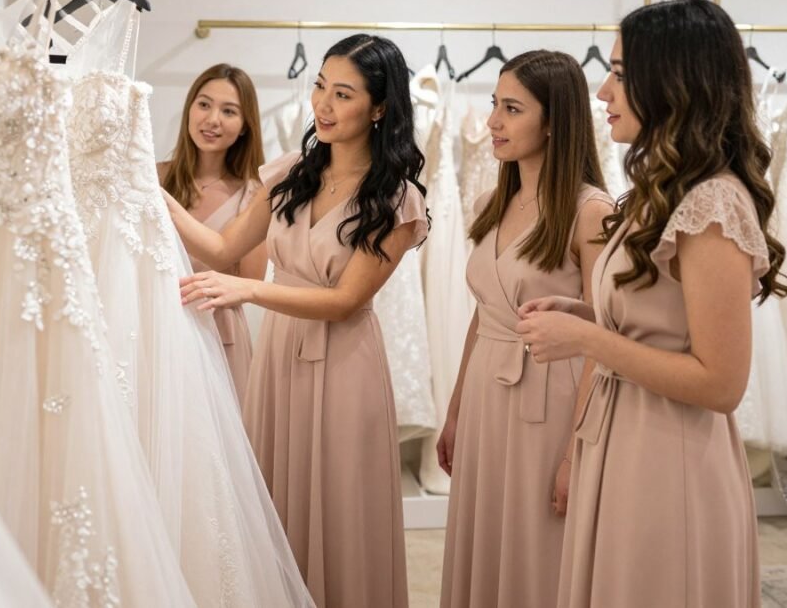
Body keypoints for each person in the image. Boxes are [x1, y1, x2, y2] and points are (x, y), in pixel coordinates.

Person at [519, 0, 787, 608]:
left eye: (618, 73)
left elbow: (721, 383)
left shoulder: (711, 205)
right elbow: (663, 324)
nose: (603, 92)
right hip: (627, 439)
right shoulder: (658, 192)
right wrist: (587, 316)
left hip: (672, 456)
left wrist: (590, 341)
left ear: (670, 81)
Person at [163, 34, 429, 608]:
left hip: (346, 362)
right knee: (274, 501)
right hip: (282, 356)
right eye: (319, 88)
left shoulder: (396, 199)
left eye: (343, 94)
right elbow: (221, 245)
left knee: (341, 507)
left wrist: (251, 288)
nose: (323, 107)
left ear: (379, 108)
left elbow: (346, 301)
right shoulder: (288, 173)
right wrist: (153, 196)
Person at [437, 50, 612, 608]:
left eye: (511, 108)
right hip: (487, 392)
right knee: (485, 539)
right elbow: (484, 313)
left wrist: (574, 452)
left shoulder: (590, 211)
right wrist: (457, 408)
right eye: (495, 105)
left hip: (549, 397)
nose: (493, 121)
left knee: (538, 550)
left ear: (555, 120)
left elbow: (604, 338)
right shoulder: (494, 201)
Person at [158, 64, 266, 404]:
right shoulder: (154, 177)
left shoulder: (255, 195)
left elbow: (250, 281)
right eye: (204, 104)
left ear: (246, 125)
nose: (213, 119)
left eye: (229, 111)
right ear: (190, 107)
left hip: (221, 334)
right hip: (157, 325)